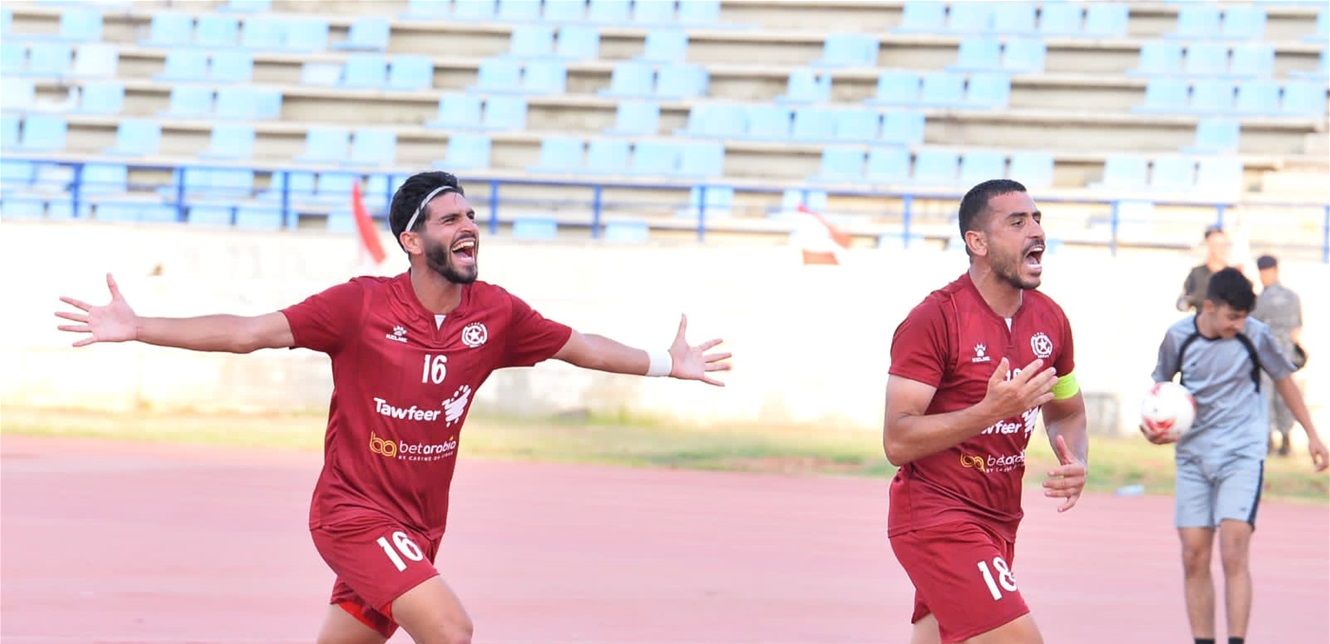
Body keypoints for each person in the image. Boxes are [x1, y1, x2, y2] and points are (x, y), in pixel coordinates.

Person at [54, 171, 732, 644]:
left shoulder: (497, 313)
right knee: (451, 630)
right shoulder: (359, 306)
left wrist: (668, 363)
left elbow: (580, 347)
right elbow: (247, 333)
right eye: (451, 219)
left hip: (420, 526)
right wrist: (139, 327)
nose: (470, 227)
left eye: (471, 216)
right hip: (352, 516)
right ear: (412, 241)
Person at [882, 179, 1089, 643]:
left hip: (1000, 518)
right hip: (938, 518)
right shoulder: (934, 319)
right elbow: (897, 440)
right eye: (1017, 222)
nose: (1036, 231)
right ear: (977, 242)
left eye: (1037, 219)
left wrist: (1077, 459)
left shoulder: (1051, 320)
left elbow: (1068, 411)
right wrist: (990, 411)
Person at [1146, 267, 1328, 644]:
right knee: (1194, 555)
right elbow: (1160, 391)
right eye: (1232, 317)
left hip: (1241, 453)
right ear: (1209, 307)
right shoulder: (1178, 337)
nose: (1238, 325)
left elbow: (1285, 381)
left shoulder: (1255, 334)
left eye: (1244, 317)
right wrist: (1155, 429)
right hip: (1193, 456)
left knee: (1233, 550)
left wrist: (1312, 435)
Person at [1250, 254, 1303, 457]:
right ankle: (1286, 438)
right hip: (1286, 355)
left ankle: (1269, 440)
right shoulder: (1292, 297)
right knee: (1285, 397)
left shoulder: (1260, 300)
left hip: (1266, 356)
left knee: (1266, 396)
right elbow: (1296, 329)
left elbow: (1252, 328)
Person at [1178, 226, 1230, 312]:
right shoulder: (1197, 273)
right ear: (1209, 246)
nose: (1223, 249)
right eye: (1218, 245)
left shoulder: (1234, 275)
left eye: (1225, 245)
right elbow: (1182, 304)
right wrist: (1190, 299)